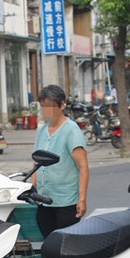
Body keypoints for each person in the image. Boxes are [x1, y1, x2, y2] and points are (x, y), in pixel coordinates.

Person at [32, 85, 89, 238]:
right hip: (44, 202)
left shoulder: (72, 131)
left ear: (62, 105)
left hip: (66, 204)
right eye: (43, 107)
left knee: (66, 250)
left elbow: (83, 167)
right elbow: (36, 163)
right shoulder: (42, 131)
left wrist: (82, 200)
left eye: (50, 107)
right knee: (50, 248)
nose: (46, 112)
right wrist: (33, 190)